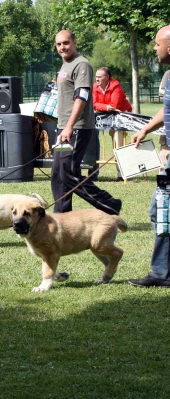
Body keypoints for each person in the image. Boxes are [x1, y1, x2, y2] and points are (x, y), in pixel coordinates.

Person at [50, 30, 122, 215]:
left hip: (76, 128)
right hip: (63, 127)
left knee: (67, 173)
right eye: (58, 44)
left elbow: (82, 97)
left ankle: (109, 204)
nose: (62, 47)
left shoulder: (82, 65)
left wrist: (69, 126)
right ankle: (62, 216)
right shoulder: (66, 65)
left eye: (66, 43)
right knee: (59, 173)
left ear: (75, 42)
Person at [128, 25, 170, 287]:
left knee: (161, 210)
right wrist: (145, 129)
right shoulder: (168, 76)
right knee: (160, 210)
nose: (154, 48)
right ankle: (162, 271)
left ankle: (161, 272)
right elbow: (166, 111)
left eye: (157, 44)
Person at [92, 67, 132, 181]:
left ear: (107, 77)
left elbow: (115, 105)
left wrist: (103, 107)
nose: (97, 79)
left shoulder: (116, 86)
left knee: (118, 142)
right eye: (96, 77)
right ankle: (93, 172)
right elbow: (94, 103)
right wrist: (105, 107)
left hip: (121, 118)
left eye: (99, 77)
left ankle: (121, 174)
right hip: (105, 117)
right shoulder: (95, 86)